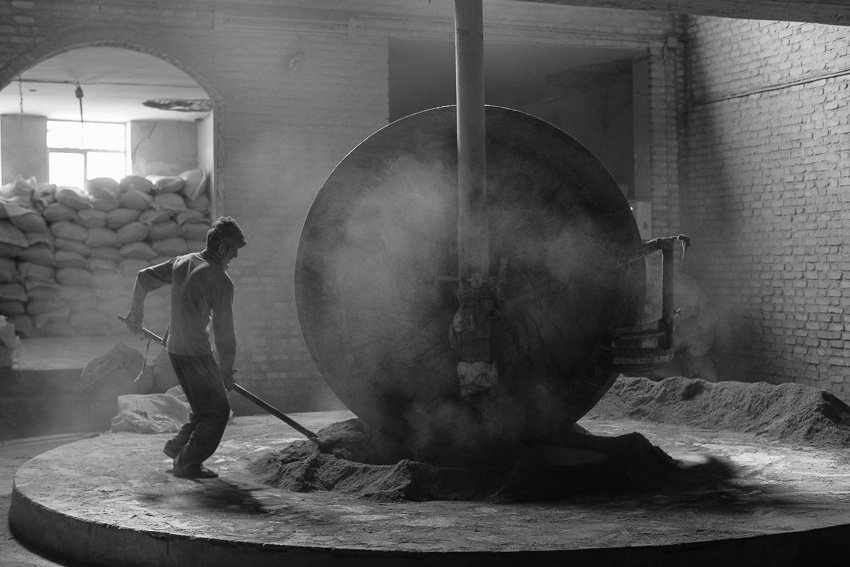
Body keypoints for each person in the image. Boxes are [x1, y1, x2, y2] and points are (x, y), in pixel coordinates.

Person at [123, 216, 246, 479]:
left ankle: (177, 447)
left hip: (174, 350)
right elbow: (224, 334)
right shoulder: (222, 282)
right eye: (234, 249)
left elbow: (143, 278)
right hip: (196, 354)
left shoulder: (183, 262)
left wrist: (136, 315)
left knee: (204, 408)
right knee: (218, 412)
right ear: (223, 247)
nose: (235, 255)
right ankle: (187, 463)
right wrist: (226, 369)